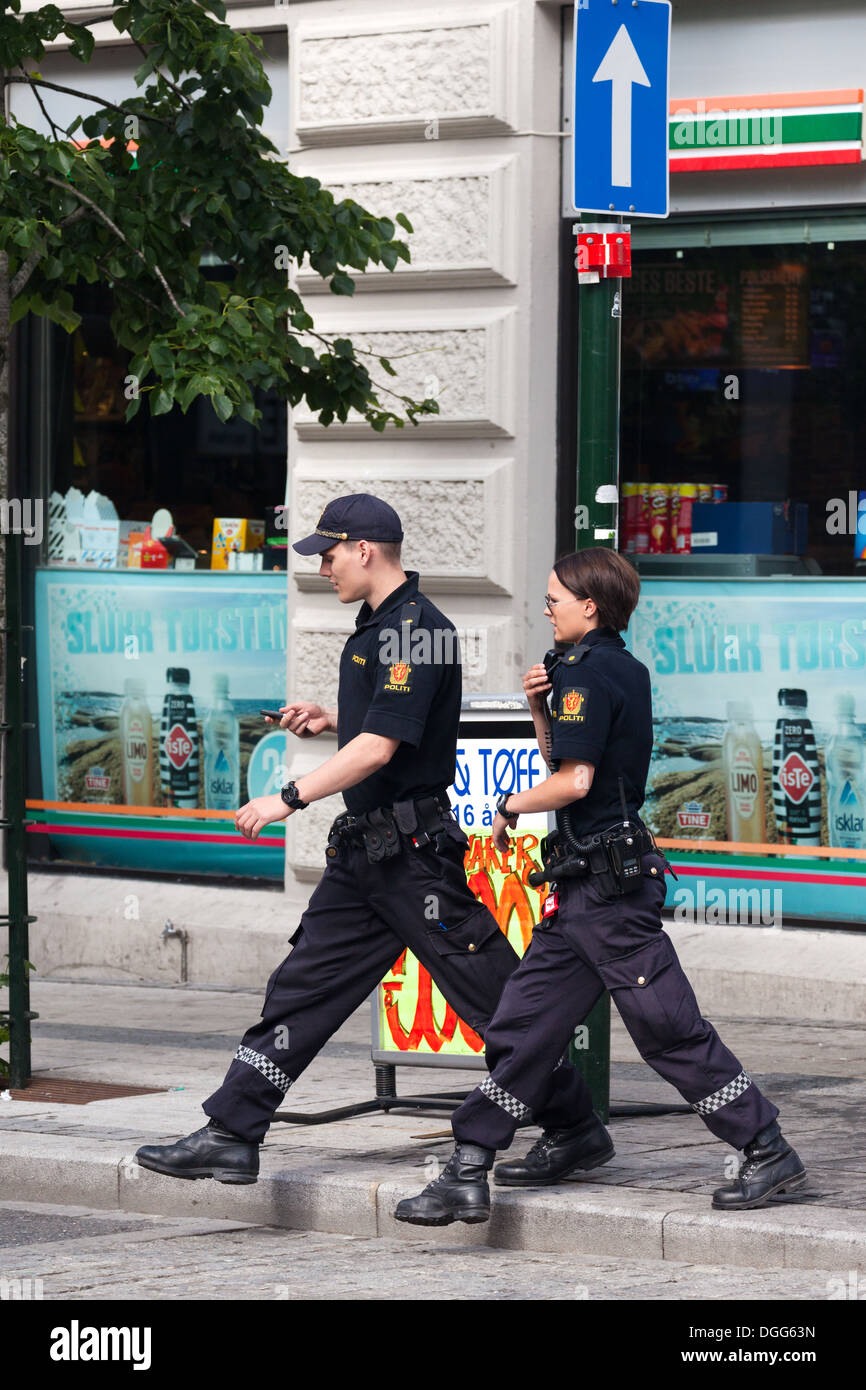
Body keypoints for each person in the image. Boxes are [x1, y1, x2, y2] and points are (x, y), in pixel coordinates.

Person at [394, 547, 806, 1226]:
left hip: (609, 897)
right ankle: (480, 1165)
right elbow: (570, 759)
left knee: (668, 1030)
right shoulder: (610, 669)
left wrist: (508, 807)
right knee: (519, 1026)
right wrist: (538, 710)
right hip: (587, 889)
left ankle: (764, 1145)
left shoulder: (587, 673)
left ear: (590, 605)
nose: (547, 607)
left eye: (555, 597)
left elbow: (574, 782)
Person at [134, 494, 520, 1184]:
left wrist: (288, 798)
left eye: (331, 554)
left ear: (366, 550)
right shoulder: (382, 626)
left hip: (414, 862)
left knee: (496, 998)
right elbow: (388, 726)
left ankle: (577, 1126)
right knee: (301, 989)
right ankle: (233, 1130)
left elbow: (381, 748)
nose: (323, 568)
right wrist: (330, 718)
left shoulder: (415, 631)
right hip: (367, 860)